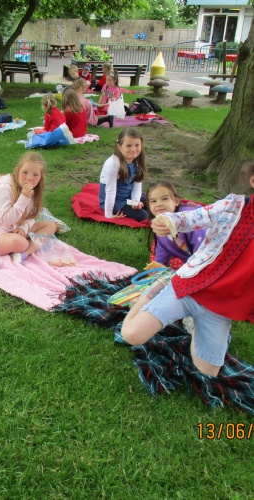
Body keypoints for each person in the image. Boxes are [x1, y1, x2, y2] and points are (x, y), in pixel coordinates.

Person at [121, 161, 254, 377]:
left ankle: (196, 327)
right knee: (132, 335)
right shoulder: (234, 206)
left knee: (208, 373)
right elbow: (193, 217)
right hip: (190, 286)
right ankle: (155, 290)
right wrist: (166, 220)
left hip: (220, 307)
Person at [0, 152, 57, 264]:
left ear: (40, 178)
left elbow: (30, 216)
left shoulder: (33, 190)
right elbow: (6, 220)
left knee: (51, 225)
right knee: (20, 243)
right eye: (25, 172)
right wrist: (24, 198)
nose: (29, 178)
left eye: (35, 175)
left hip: (15, 228)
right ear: (17, 171)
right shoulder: (4, 188)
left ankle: (24, 254)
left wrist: (24, 228)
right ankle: (23, 245)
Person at [146, 181, 206, 269]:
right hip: (192, 264)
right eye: (153, 201)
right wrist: (158, 267)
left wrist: (194, 269)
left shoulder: (190, 219)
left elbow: (202, 247)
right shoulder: (160, 224)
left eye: (165, 199)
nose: (159, 204)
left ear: (176, 201)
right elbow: (163, 250)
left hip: (210, 258)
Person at [99, 127, 148, 221]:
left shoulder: (137, 161)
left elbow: (137, 185)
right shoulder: (113, 163)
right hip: (116, 200)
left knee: (152, 203)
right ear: (119, 146)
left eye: (137, 145)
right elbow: (110, 190)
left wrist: (135, 202)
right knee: (144, 216)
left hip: (129, 196)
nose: (133, 149)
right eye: (128, 146)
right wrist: (108, 215)